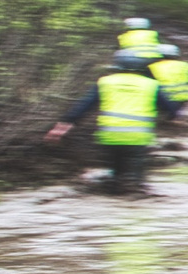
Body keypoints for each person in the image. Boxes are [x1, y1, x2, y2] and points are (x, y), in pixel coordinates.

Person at [46, 51, 162, 193]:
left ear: (117, 65)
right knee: (134, 164)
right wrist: (174, 115)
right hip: (138, 136)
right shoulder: (151, 85)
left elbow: (84, 105)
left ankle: (116, 183)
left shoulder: (105, 82)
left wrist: (63, 126)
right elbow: (168, 107)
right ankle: (134, 185)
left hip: (109, 134)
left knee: (115, 166)